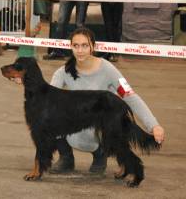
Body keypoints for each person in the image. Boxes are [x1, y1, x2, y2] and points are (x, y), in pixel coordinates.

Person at [49, 27, 165, 174]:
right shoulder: (63, 72)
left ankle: (100, 153)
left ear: (93, 46)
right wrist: (27, 81)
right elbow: (49, 98)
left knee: (92, 128)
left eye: (84, 45)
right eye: (76, 46)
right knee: (52, 116)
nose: (80, 50)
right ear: (70, 47)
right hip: (80, 120)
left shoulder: (108, 69)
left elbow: (130, 96)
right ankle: (66, 157)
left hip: (103, 124)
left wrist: (153, 125)